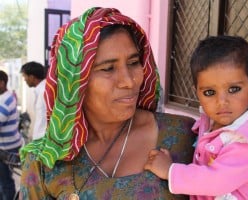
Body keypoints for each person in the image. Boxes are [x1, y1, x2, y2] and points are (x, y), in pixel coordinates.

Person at [19, 7, 196, 199]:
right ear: (73, 81)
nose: (129, 81)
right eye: (108, 68)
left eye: (134, 62)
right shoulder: (45, 161)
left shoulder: (184, 135)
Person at [144, 35, 248, 200]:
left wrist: (170, 170)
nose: (222, 102)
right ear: (197, 93)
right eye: (209, 92)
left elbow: (216, 181)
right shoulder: (209, 124)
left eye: (233, 89)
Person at [0, 70, 23, 200]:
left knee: (6, 183)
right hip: (4, 146)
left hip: (8, 148)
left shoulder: (7, 99)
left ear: (2, 83)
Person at [20, 61, 47, 140]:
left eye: (25, 76)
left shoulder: (43, 91)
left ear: (32, 77)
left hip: (44, 141)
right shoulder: (40, 90)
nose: (24, 80)